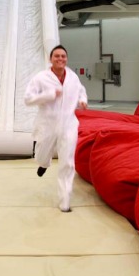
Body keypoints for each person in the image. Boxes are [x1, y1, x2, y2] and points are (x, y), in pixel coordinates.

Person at [24, 45, 88, 212]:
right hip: (47, 124)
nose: (60, 59)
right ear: (50, 59)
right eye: (57, 56)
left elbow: (81, 91)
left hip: (69, 124)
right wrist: (49, 95)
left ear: (66, 59)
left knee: (67, 162)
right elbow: (28, 99)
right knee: (42, 154)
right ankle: (43, 163)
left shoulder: (73, 77)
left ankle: (65, 201)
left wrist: (82, 100)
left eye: (63, 56)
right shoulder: (40, 78)